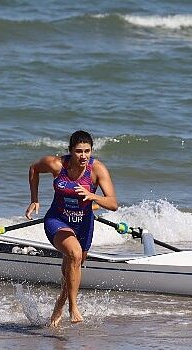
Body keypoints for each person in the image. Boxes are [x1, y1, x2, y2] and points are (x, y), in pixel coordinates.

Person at [25, 130, 118, 327]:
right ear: (70, 151)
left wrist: (93, 196)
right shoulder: (57, 164)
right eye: (78, 151)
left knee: (73, 265)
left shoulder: (97, 169)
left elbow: (113, 203)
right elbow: (33, 169)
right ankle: (73, 307)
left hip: (84, 224)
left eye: (87, 151)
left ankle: (61, 301)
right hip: (57, 219)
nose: (83, 156)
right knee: (74, 255)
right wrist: (34, 199)